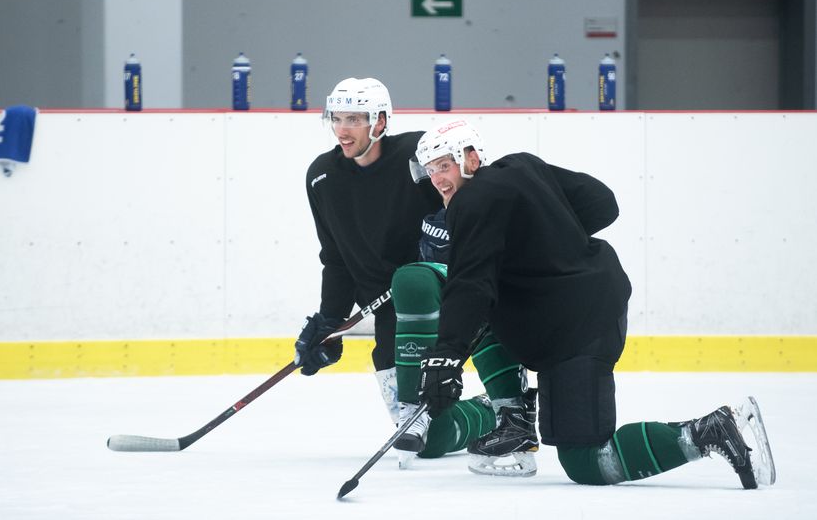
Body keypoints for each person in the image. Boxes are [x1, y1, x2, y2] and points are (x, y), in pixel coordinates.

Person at [414, 119, 776, 489]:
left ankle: (709, 432)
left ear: (471, 158)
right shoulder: (521, 166)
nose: (438, 179)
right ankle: (514, 421)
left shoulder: (470, 202)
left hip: (577, 326)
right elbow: (602, 202)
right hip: (591, 301)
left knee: (586, 460)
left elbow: (469, 284)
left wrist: (446, 355)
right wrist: (547, 239)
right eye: (431, 170)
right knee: (487, 312)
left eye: (445, 165)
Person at [292, 79, 526, 468]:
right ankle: (487, 411)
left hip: (450, 288)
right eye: (337, 118)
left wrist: (453, 241)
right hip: (393, 314)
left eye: (354, 119)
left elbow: (474, 195)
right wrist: (331, 321)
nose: (342, 130)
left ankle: (510, 402)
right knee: (426, 442)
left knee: (431, 292)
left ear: (380, 122)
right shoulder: (322, 177)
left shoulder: (416, 155)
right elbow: (335, 256)